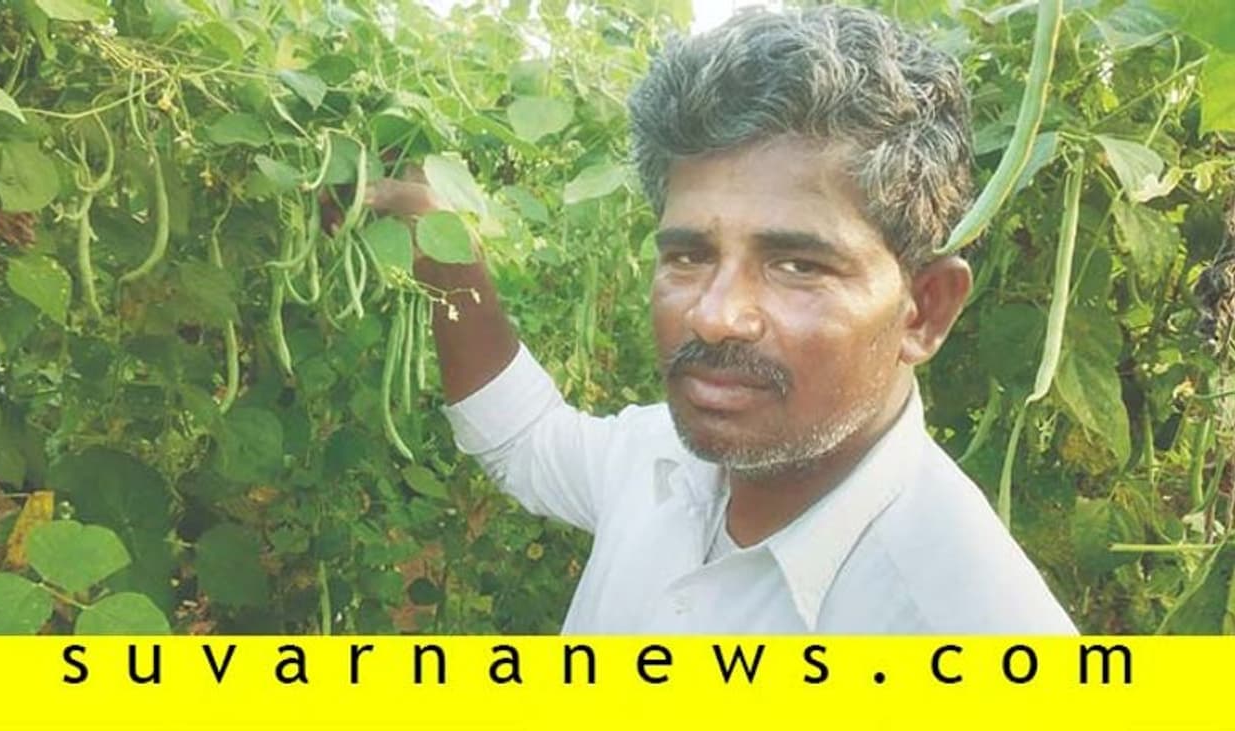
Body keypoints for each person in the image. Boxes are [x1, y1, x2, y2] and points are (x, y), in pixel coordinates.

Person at [352, 6, 1077, 634]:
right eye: (689, 255)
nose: (714, 315)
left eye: (798, 265)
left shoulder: (972, 628)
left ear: (925, 310)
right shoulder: (660, 462)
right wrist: (434, 234)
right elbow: (522, 440)